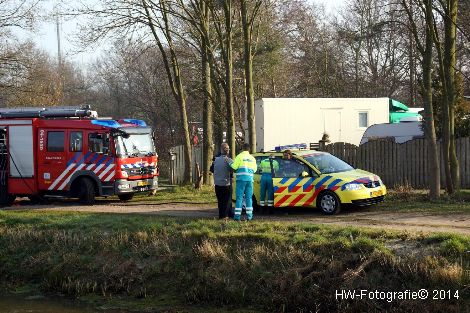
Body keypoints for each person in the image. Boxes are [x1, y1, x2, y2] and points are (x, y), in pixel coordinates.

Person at [227, 143, 257, 221]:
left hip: (241, 180)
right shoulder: (252, 158)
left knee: (239, 198)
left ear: (242, 148)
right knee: (249, 198)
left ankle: (237, 217)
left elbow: (234, 167)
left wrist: (229, 162)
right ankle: (250, 217)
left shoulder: (239, 156)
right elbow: (255, 169)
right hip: (250, 180)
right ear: (249, 149)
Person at [212, 143, 233, 219]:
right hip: (226, 184)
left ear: (221, 150)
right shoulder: (229, 160)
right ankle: (225, 216)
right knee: (227, 201)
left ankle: (221, 216)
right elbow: (233, 170)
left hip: (217, 184)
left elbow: (212, 169)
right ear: (227, 151)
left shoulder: (215, 160)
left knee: (220, 201)